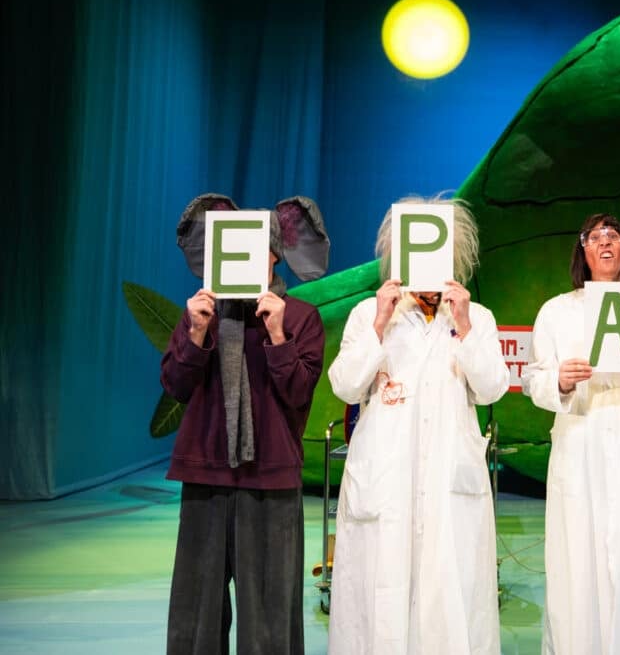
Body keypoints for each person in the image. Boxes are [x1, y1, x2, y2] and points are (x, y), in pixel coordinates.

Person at [327, 196, 509, 655]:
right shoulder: (368, 314)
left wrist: (465, 326)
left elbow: (492, 388)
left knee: (449, 600)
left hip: (449, 480)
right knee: (380, 598)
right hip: (386, 479)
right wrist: (379, 322)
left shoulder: (476, 317)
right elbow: (345, 385)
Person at [161, 194, 330, 655]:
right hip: (205, 477)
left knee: (270, 618)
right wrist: (196, 334)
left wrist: (277, 335)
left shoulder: (301, 317)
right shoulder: (201, 313)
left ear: (275, 253)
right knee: (196, 614)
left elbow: (299, 393)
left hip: (270, 481)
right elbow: (175, 385)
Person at [522, 213, 620, 655]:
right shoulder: (557, 311)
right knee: (579, 565)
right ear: (584, 251)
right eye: (595, 237)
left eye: (614, 235)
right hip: (580, 448)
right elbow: (534, 379)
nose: (605, 242)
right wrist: (560, 380)